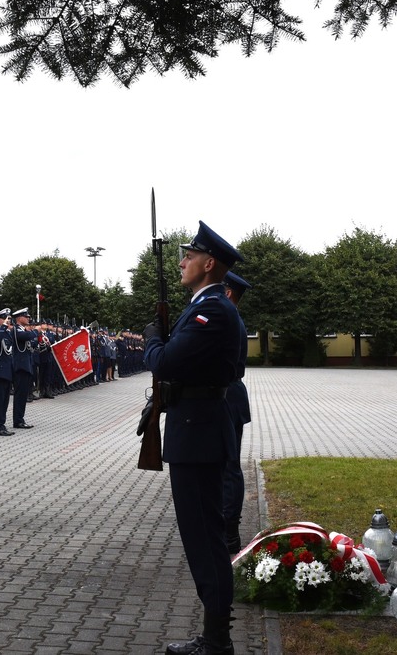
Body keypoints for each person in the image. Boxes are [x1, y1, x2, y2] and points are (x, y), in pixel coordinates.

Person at [143, 221, 243, 655]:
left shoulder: (213, 310)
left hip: (197, 434)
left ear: (208, 263)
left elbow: (165, 363)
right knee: (204, 538)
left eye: (188, 256)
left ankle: (217, 641)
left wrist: (152, 340)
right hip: (197, 430)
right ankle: (214, 635)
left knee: (205, 541)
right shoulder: (208, 305)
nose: (181, 262)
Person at [222, 271, 252, 555]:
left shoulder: (229, 321)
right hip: (232, 395)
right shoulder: (231, 319)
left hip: (228, 396)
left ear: (228, 292)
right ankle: (226, 527)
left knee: (229, 466)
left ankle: (230, 530)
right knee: (225, 466)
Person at [9, 307, 37, 429]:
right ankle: (18, 420)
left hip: (25, 365)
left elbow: (30, 344)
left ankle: (20, 418)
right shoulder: (16, 330)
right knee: (20, 395)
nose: (28, 319)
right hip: (20, 366)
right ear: (20, 318)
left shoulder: (23, 330)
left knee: (23, 394)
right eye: (26, 317)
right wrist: (36, 331)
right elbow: (25, 337)